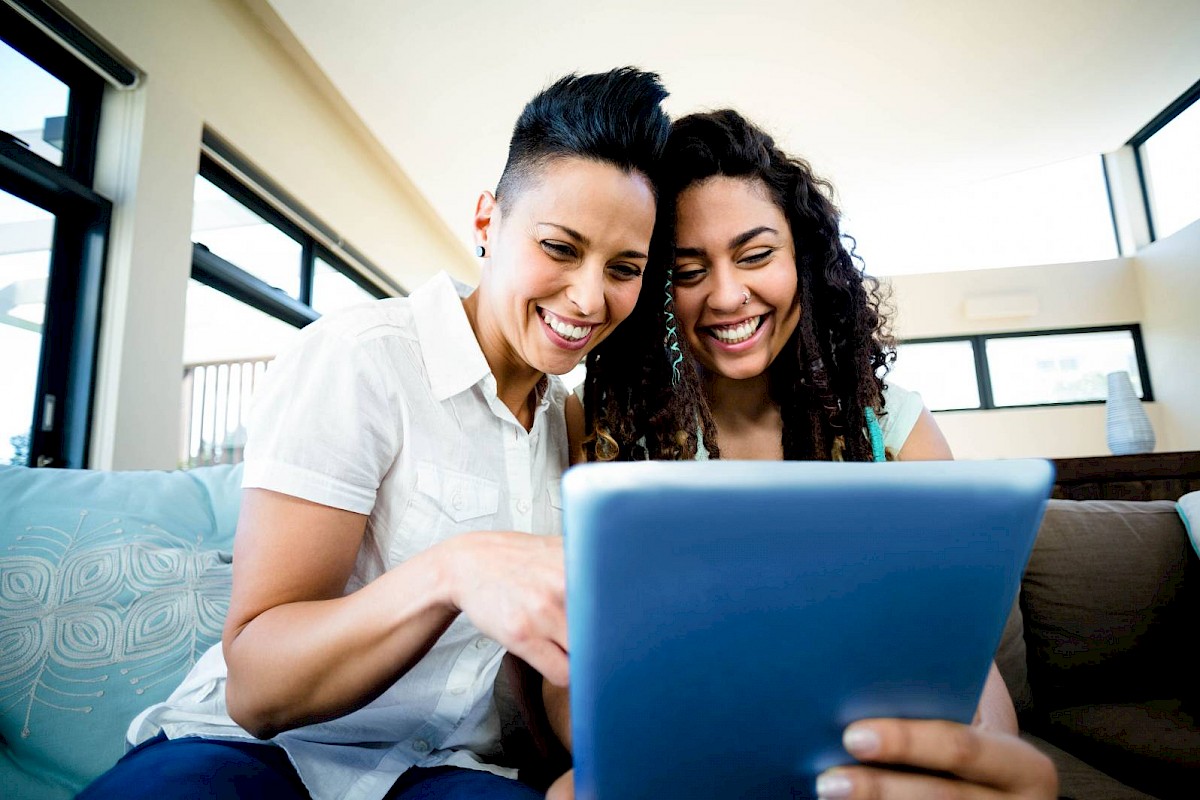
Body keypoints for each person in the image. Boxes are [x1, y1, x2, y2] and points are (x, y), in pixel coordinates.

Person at [79, 67, 672, 800]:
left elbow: (555, 671)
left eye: (625, 268)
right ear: (488, 222)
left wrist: (657, 746)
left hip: (447, 771)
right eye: (559, 247)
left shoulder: (575, 429)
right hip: (257, 753)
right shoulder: (361, 360)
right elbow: (258, 689)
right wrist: (453, 571)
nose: (589, 296)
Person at [543, 109, 1057, 799]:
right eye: (689, 270)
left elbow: (959, 655)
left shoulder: (891, 426)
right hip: (691, 755)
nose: (728, 296)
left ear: (803, 263)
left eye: (755, 256)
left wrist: (984, 757)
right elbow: (565, 670)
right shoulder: (605, 428)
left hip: (870, 759)